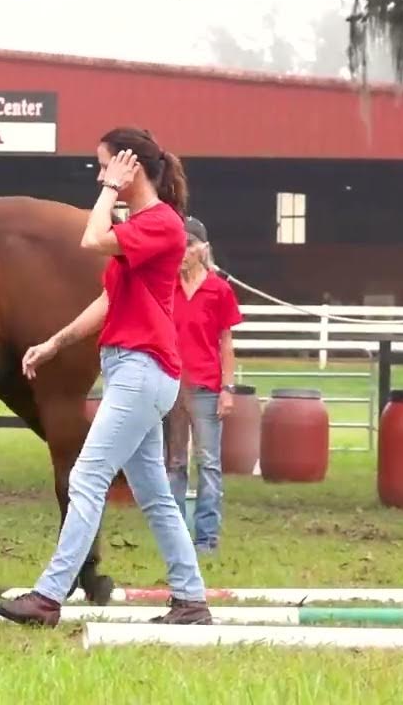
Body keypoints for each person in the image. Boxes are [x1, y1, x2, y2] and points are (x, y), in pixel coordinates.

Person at [0, 127, 213, 627]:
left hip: (141, 370)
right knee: (154, 495)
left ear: (129, 166)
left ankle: (48, 597)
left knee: (87, 478)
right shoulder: (144, 227)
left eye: (105, 163)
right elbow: (110, 301)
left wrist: (111, 190)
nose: (99, 173)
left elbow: (89, 239)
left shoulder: (161, 225)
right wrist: (54, 343)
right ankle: (191, 600)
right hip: (131, 368)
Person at [166, 216, 243, 554]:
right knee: (175, 463)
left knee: (208, 463)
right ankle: (176, 536)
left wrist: (228, 388)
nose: (182, 253)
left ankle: (207, 538)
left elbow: (226, 342)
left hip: (206, 387)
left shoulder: (219, 290)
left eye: (188, 246)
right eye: (177, 246)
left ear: (202, 249)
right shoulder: (165, 288)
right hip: (171, 386)